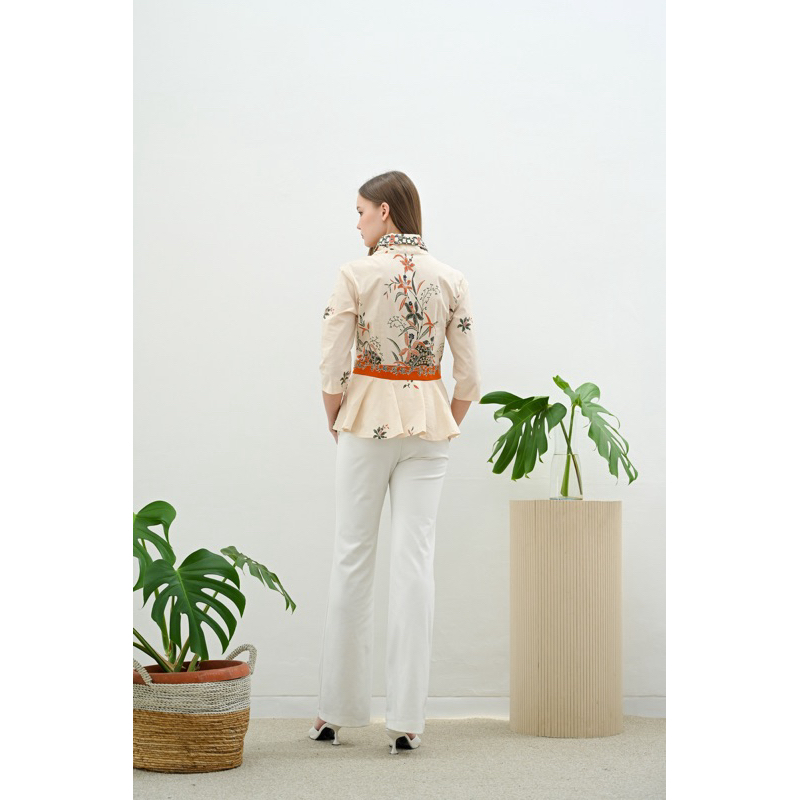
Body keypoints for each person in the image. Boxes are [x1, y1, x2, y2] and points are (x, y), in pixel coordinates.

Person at [310, 170, 481, 755]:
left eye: (360, 211)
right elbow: (470, 377)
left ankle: (335, 712)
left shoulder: (356, 274)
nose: (357, 223)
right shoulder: (451, 277)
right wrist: (443, 417)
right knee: (415, 564)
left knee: (352, 556)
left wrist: (335, 416)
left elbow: (332, 363)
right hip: (431, 426)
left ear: (384, 211)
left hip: (365, 421)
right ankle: (406, 721)